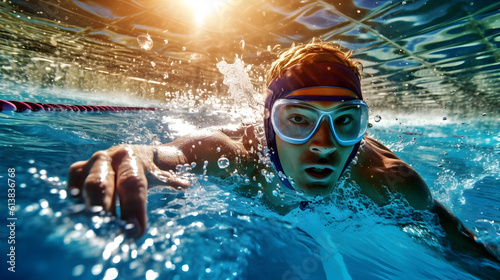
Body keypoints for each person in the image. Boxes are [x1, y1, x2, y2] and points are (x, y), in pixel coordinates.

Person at [68, 41, 499, 265]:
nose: (324, 143)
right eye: (298, 118)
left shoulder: (391, 182)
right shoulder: (233, 153)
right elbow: (165, 155)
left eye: (346, 120)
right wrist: (133, 157)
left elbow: (464, 251)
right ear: (269, 124)